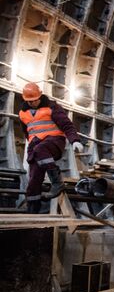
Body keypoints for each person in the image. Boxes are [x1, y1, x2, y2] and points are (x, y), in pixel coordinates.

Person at [18, 82, 84, 213]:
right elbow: (27, 133)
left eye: (35, 100)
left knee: (40, 149)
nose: (32, 103)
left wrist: (74, 140)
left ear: (40, 96)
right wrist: (31, 145)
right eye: (29, 101)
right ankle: (32, 211)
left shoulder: (52, 107)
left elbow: (67, 125)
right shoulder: (22, 114)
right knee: (33, 180)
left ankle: (57, 183)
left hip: (54, 142)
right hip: (36, 147)